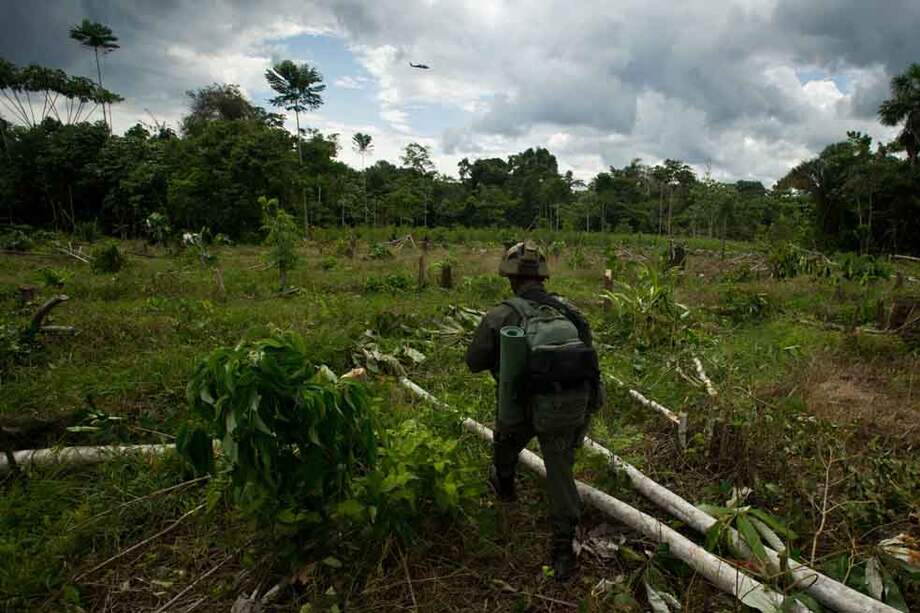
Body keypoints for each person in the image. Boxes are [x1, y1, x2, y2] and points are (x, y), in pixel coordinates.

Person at [466, 240, 603, 580]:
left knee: (506, 439)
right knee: (560, 470)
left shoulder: (501, 314)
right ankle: (563, 548)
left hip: (524, 403)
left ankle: (505, 485)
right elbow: (589, 357)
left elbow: (474, 361)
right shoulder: (569, 310)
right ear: (543, 277)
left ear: (510, 278)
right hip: (571, 405)